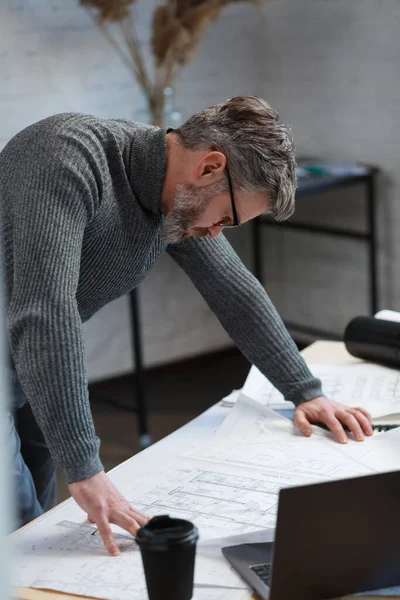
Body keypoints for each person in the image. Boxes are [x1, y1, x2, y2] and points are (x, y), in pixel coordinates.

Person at [0, 96, 372, 555]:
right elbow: (46, 312)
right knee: (14, 519)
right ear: (211, 167)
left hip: (27, 360)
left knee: (30, 527)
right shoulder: (68, 157)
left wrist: (306, 391)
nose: (217, 232)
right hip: (30, 338)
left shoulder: (172, 197)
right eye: (227, 218)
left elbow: (234, 290)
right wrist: (86, 467)